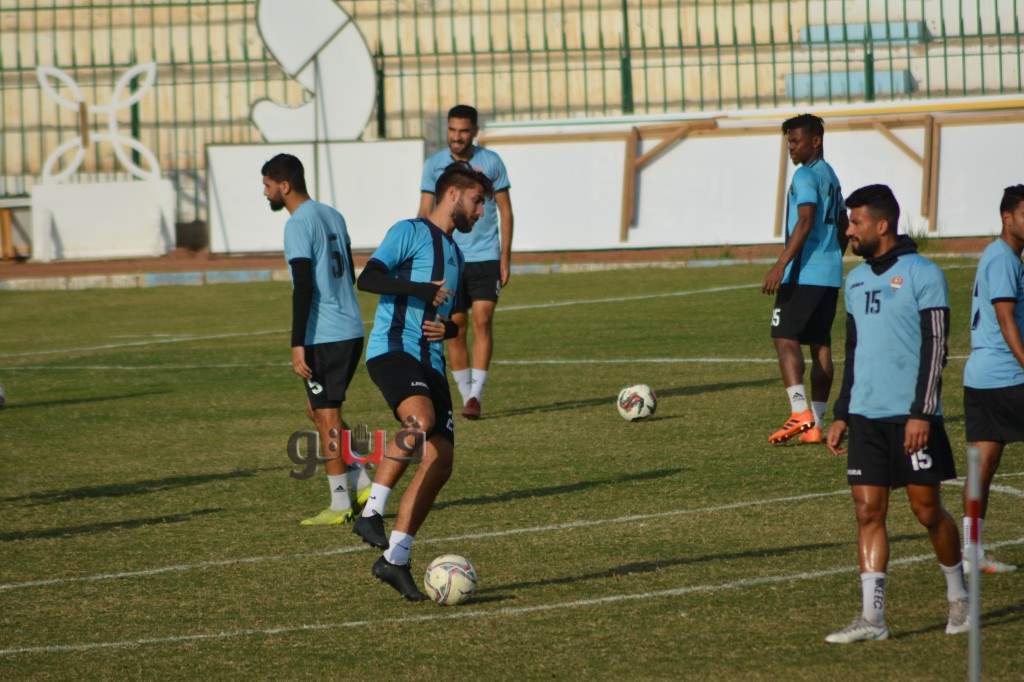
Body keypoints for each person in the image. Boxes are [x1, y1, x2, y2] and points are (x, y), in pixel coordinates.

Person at [825, 184, 968, 643]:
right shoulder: (855, 282)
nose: (849, 231)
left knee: (927, 511)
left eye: (856, 222)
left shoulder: (924, 274)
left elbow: (937, 347)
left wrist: (922, 413)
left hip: (912, 418)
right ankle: (873, 619)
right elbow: (853, 350)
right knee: (868, 512)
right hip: (865, 417)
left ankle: (959, 598)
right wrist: (842, 413)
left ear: (882, 225)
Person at [355, 162, 493, 601]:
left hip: (430, 362)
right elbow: (368, 277)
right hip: (393, 349)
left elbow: (451, 323)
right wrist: (419, 290)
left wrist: (447, 329)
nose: (480, 212)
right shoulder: (409, 231)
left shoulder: (456, 254)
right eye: (477, 202)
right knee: (419, 421)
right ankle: (370, 512)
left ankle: (395, 558)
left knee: (441, 460)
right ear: (453, 194)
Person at [262, 153, 372, 526]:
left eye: (267, 185)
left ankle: (340, 504)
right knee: (318, 410)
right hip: (350, 326)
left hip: (325, 334)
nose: (265, 193)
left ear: (284, 185)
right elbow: (350, 275)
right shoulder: (332, 215)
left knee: (326, 417)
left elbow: (304, 286)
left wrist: (298, 342)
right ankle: (362, 482)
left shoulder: (298, 224)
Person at [418, 104, 513, 419]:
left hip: (486, 256)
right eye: (452, 130)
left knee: (483, 320)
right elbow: (425, 210)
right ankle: (464, 395)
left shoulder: (491, 161)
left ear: (474, 132)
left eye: (463, 131)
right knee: (455, 327)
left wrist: (505, 257)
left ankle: (475, 396)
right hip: (450, 257)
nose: (457, 137)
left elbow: (505, 210)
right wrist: (424, 255)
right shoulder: (434, 165)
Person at [764, 114, 847, 445]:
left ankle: (799, 412)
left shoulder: (805, 175)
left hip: (804, 272)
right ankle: (816, 424)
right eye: (789, 142)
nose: (791, 148)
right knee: (820, 344)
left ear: (816, 141)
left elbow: (806, 219)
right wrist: (832, 256)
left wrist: (781, 264)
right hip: (829, 274)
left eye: (796, 141)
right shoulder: (831, 175)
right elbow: (843, 224)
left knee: (784, 337)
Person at [961, 184, 1024, 574]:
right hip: (1007, 376)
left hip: (983, 376)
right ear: (1007, 217)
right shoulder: (1003, 259)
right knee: (982, 468)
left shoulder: (1001, 256)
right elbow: (1005, 318)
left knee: (981, 468)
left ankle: (971, 552)